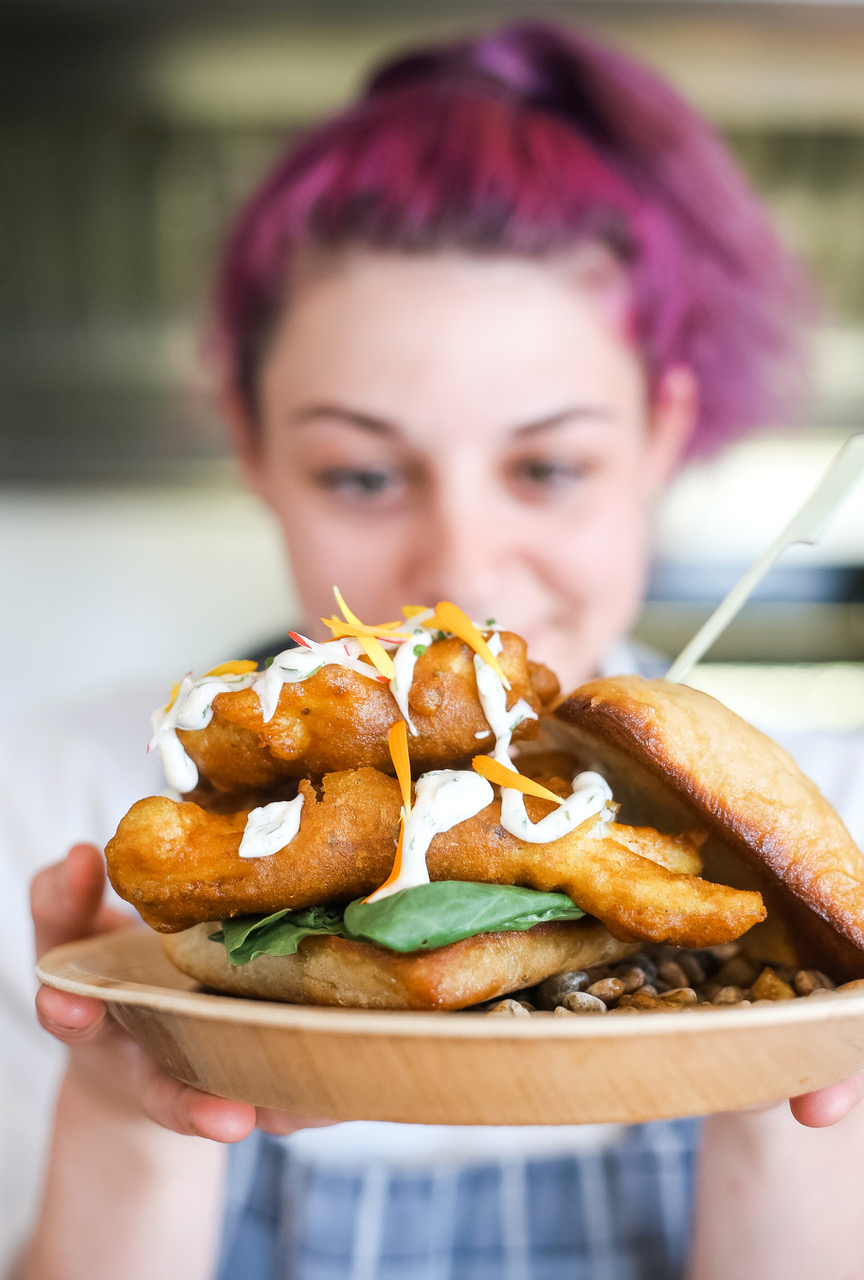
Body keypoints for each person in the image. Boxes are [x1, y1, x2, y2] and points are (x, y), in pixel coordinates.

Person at [11, 21, 864, 1280]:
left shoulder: (834, 828)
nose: (461, 570)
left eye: (549, 467)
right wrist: (130, 1109)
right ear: (251, 444)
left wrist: (776, 1057)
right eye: (361, 471)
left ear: (662, 438)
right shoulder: (58, 802)